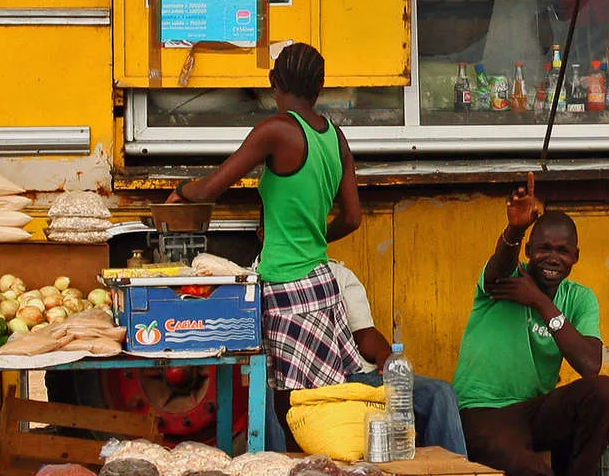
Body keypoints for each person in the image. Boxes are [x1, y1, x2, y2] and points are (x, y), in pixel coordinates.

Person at [169, 43, 364, 447]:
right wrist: (313, 236)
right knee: (322, 411)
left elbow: (212, 188)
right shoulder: (335, 137)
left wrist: (181, 191)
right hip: (322, 286)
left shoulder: (277, 130)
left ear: (275, 83)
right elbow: (352, 218)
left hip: (286, 288)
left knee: (286, 412)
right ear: (320, 87)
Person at [454, 176, 609, 476]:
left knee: (604, 393)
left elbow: (589, 364)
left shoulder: (578, 298)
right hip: (484, 411)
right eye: (544, 248)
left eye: (563, 251)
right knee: (526, 467)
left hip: (534, 409)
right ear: (529, 250)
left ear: (576, 257)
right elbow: (498, 265)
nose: (553, 257)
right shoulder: (504, 280)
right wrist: (515, 230)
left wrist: (541, 302)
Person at [326, 259, 469, 455]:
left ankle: (451, 471)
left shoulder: (338, 273)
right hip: (312, 383)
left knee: (440, 392)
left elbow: (364, 331)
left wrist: (385, 355)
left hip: (357, 374)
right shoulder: (281, 277)